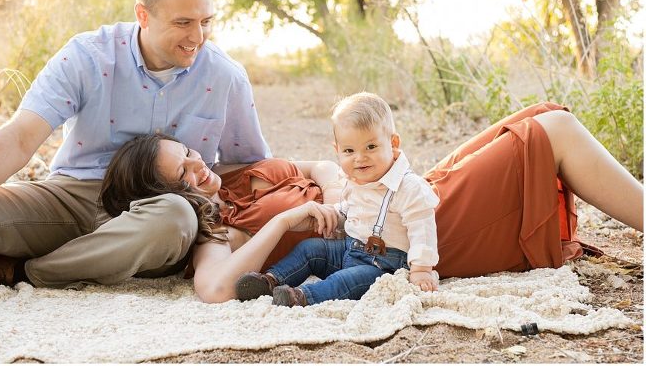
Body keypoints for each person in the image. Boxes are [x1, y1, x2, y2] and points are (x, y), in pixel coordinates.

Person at [0, 0, 271, 326]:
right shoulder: (88, 56)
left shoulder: (225, 77)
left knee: (175, 216)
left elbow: (248, 167)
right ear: (143, 15)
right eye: (183, 22)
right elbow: (20, 138)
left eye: (206, 22)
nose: (197, 37)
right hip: (72, 195)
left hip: (160, 219)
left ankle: (25, 271)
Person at [98, 102, 643, 304]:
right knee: (553, 133)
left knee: (530, 120)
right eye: (185, 175)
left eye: (191, 154)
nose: (202, 169)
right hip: (405, 241)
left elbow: (317, 167)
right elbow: (215, 291)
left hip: (398, 194)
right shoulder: (219, 235)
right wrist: (289, 218)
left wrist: (338, 188)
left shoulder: (236, 174)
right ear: (167, 197)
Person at [236, 93, 439, 307]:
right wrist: (335, 215)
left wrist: (421, 269)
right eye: (349, 151)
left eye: (371, 147)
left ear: (393, 142)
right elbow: (351, 210)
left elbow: (422, 229)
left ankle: (301, 297)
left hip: (383, 266)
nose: (360, 158)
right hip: (349, 248)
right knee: (309, 249)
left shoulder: (409, 187)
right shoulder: (355, 180)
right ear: (337, 150)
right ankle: (270, 281)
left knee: (343, 281)